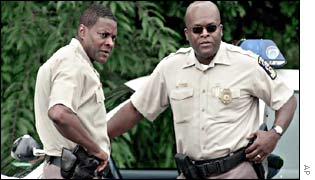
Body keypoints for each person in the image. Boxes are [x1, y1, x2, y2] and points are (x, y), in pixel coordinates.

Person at [107, 1, 297, 179]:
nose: (205, 34)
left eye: (211, 28)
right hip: (190, 173)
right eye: (197, 29)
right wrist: (94, 137)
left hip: (236, 171)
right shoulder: (171, 68)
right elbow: (135, 109)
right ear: (187, 34)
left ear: (220, 30)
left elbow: (288, 100)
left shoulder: (246, 64)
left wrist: (275, 133)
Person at [34, 4, 117, 179]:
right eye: (104, 35)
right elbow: (59, 113)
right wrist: (96, 150)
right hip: (72, 171)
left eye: (113, 38)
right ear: (82, 31)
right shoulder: (73, 63)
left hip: (70, 169)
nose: (110, 43)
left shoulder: (73, 60)